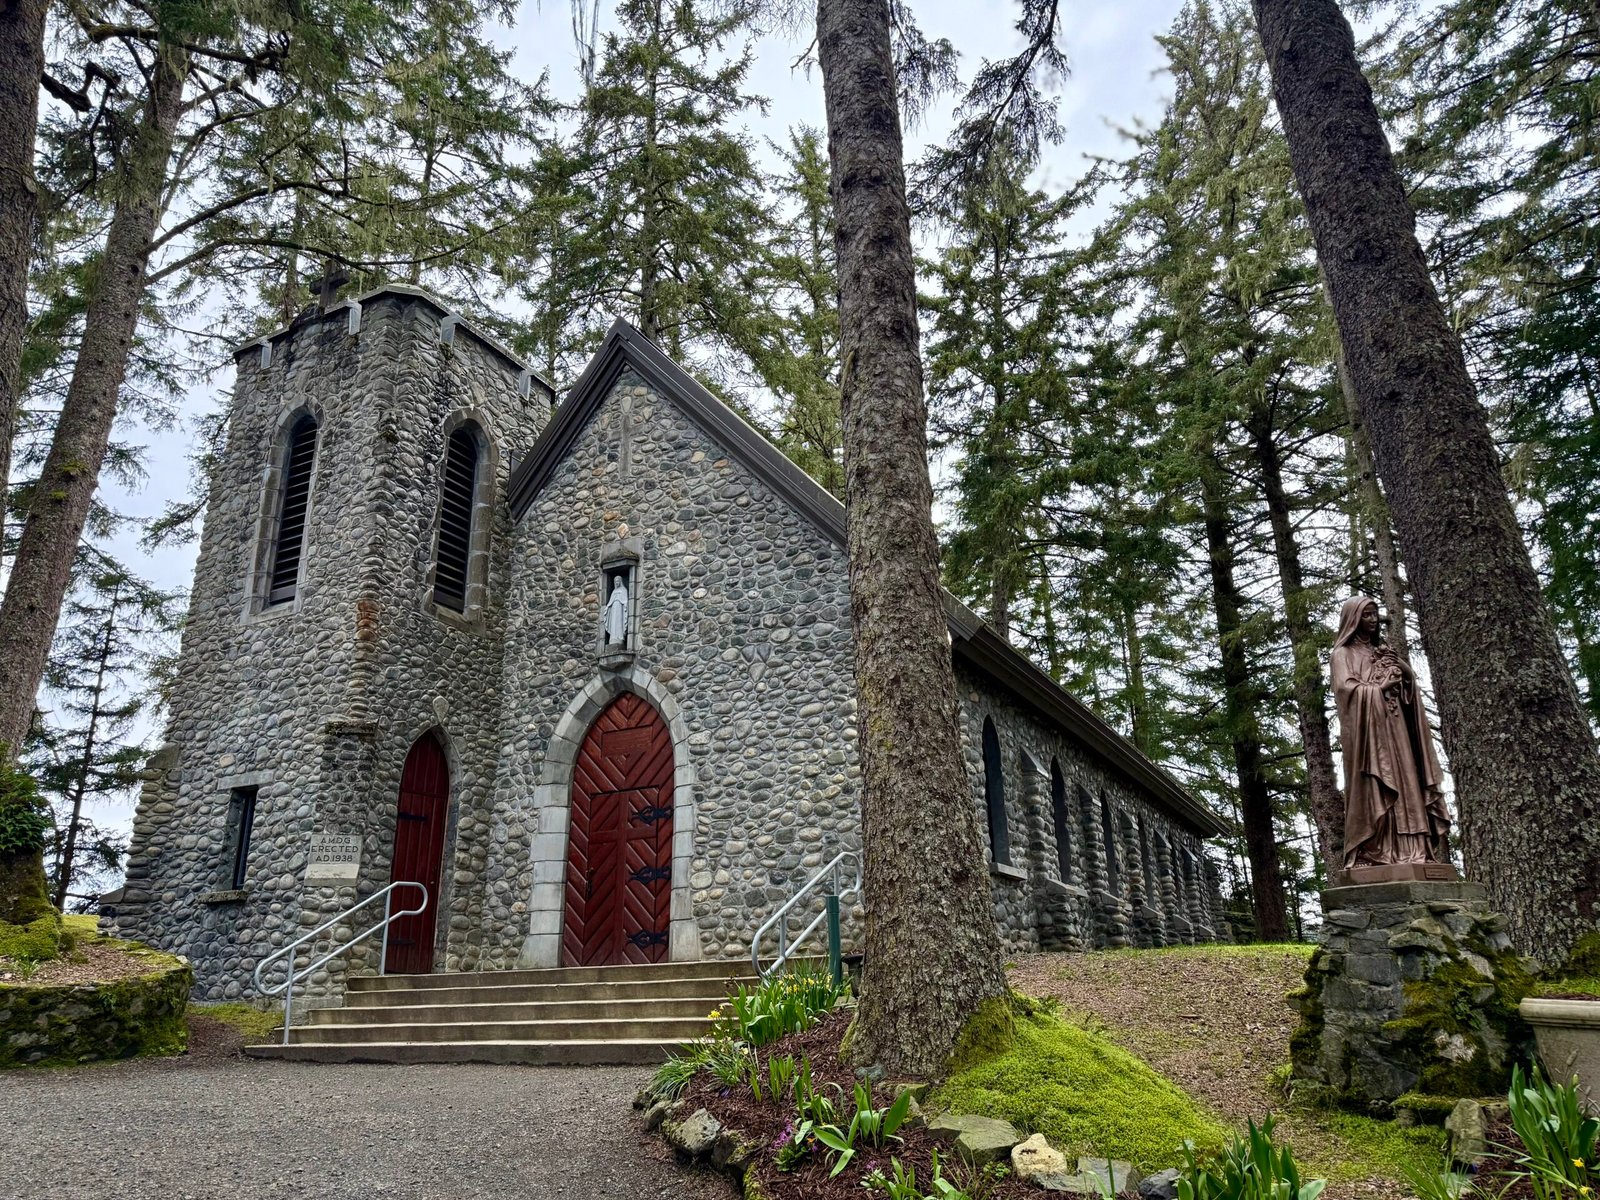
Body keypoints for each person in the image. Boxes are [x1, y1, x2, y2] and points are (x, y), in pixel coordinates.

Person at [1330, 596, 1452, 868]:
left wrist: (1404, 671)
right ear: (1353, 619)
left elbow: (1407, 693)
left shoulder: (1382, 650)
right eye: (1367, 615)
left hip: (1397, 730)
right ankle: (1376, 851)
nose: (1373, 620)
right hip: (1369, 738)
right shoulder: (1342, 654)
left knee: (1408, 781)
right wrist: (1379, 689)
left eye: (1375, 614)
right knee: (1378, 784)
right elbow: (1345, 691)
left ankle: (1415, 851)